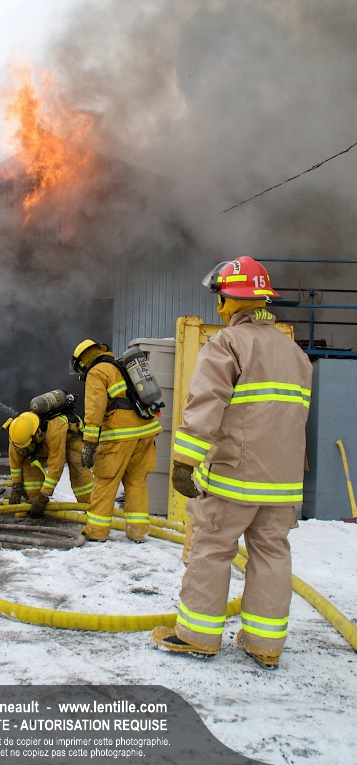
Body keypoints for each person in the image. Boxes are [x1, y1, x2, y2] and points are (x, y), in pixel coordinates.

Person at [152, 256, 313, 669]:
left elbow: (205, 404)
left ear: (229, 300)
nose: (218, 305)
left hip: (234, 477)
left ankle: (197, 635)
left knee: (211, 547)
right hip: (282, 484)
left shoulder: (227, 343)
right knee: (272, 553)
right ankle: (265, 644)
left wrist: (185, 461)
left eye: (220, 297)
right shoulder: (295, 353)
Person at [71, 339, 162, 543]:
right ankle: (138, 531)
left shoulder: (97, 372)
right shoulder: (121, 366)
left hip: (119, 436)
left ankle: (96, 531)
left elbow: (94, 410)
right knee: (136, 481)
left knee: (105, 481)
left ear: (82, 362)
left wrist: (89, 443)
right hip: (146, 432)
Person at [7, 407, 93, 518]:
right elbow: (15, 463)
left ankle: (91, 506)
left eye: (28, 447)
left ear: (37, 435)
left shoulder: (54, 431)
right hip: (43, 444)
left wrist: (43, 497)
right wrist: (16, 486)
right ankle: (33, 503)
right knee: (29, 462)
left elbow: (56, 467)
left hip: (70, 438)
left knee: (77, 462)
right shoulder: (18, 438)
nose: (25, 451)